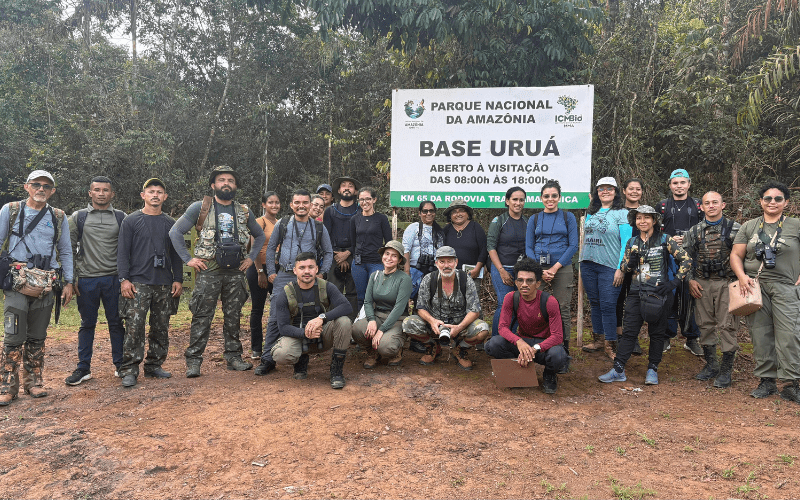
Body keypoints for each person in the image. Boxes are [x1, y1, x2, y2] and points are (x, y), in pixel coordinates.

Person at [168, 166, 266, 377]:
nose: (226, 183)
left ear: (235, 185)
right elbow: (175, 232)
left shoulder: (244, 211)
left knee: (234, 316)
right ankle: (194, 361)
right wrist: (188, 259)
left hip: (235, 273)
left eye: (230, 180)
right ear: (213, 184)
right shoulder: (200, 208)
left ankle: (234, 357)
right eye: (221, 180)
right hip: (208, 271)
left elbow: (259, 236)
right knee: (202, 316)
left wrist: (250, 258)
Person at [0, 170, 74, 406]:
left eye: (46, 186)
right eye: (36, 184)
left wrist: (69, 281)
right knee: (13, 336)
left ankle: (34, 383)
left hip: (46, 282)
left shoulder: (58, 216)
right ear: (26, 187)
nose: (41, 189)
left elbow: (65, 251)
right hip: (17, 281)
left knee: (37, 336)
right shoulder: (11, 210)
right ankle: (7, 386)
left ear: (52, 191)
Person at [599, 205, 692, 386]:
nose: (643, 221)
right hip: (636, 293)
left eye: (647, 218)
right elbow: (624, 268)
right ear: (635, 221)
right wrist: (630, 264)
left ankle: (652, 369)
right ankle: (618, 369)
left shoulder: (665, 239)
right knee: (629, 332)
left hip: (660, 293)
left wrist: (675, 282)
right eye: (639, 218)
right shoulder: (632, 242)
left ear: (654, 221)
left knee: (657, 334)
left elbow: (686, 260)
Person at [731, 180, 800, 403]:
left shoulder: (795, 225)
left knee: (789, 334)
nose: (772, 202)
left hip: (787, 287)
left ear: (786, 202)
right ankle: (766, 381)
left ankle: (791, 382)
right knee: (760, 334)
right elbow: (736, 255)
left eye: (778, 198)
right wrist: (742, 277)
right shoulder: (749, 226)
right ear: (760, 201)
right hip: (754, 286)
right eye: (768, 198)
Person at [255, 189, 333, 375]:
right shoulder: (283, 224)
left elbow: (329, 252)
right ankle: (267, 359)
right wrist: (272, 272)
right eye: (297, 202)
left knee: (305, 315)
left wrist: (322, 273)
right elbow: (272, 246)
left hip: (309, 277)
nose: (301, 206)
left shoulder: (319, 227)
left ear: (311, 205)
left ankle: (301, 360)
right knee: (275, 316)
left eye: (305, 202)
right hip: (285, 275)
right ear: (291, 205)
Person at [117, 178, 184, 388]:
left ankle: (154, 365)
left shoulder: (171, 224)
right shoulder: (131, 221)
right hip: (138, 283)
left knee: (161, 326)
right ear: (143, 195)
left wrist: (178, 279)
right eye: (151, 191)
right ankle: (129, 369)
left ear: (165, 197)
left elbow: (176, 255)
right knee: (134, 327)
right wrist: (124, 279)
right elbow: (122, 253)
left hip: (164, 284)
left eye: (159, 192)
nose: (155, 195)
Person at [64, 176, 127, 386]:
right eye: (97, 190)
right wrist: (70, 279)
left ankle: (121, 365)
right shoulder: (78, 217)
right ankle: (83, 368)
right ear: (90, 193)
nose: (101, 193)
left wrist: (126, 277)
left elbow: (128, 250)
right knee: (87, 324)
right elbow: (68, 248)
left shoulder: (121, 217)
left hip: (114, 279)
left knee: (117, 323)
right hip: (87, 281)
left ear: (112, 194)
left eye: (106, 190)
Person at [683, 191, 741, 388]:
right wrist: (690, 280)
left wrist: (741, 279)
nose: (711, 206)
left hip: (727, 282)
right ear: (702, 207)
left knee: (727, 325)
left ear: (723, 205)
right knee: (704, 324)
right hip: (702, 283)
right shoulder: (694, 231)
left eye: (715, 202)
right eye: (707, 203)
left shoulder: (735, 228)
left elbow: (744, 255)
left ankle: (726, 371)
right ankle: (711, 365)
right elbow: (685, 259)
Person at [484, 258, 568, 394]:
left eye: (530, 281)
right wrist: (519, 342)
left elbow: (558, 337)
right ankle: (515, 369)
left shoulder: (549, 301)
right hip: (524, 341)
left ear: (538, 283)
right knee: (493, 344)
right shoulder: (511, 298)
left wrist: (535, 348)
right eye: (520, 280)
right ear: (516, 282)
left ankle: (550, 374)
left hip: (543, 346)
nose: (524, 284)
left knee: (558, 355)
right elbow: (502, 328)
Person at [269, 252, 353, 389]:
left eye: (310, 267)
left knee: (344, 321)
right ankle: (301, 361)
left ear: (317, 269)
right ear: (295, 270)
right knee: (280, 354)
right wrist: (305, 333)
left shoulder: (326, 286)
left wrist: (322, 318)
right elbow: (283, 328)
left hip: (323, 334)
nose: (306, 271)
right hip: (299, 336)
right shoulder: (285, 293)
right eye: (302, 268)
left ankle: (336, 371)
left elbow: (346, 307)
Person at [403, 246, 489, 370]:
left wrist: (459, 327)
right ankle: (432, 347)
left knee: (483, 330)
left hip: (460, 325)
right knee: (408, 324)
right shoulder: (429, 279)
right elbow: (420, 307)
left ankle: (460, 349)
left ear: (456, 262)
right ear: (436, 263)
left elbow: (475, 311)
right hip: (435, 326)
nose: (446, 265)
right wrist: (432, 322)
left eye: (450, 261)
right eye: (442, 262)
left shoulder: (466, 279)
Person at [525, 180, 578, 371]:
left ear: (559, 197)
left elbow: (573, 245)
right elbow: (529, 246)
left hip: (561, 267)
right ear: (541, 198)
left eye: (554, 195)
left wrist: (555, 268)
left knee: (562, 308)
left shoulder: (568, 217)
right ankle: (532, 346)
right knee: (531, 306)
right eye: (546, 196)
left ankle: (563, 352)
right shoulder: (534, 219)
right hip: (537, 269)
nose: (550, 199)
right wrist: (539, 270)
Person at [579, 177, 631, 360]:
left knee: (609, 305)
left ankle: (611, 344)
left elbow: (626, 243)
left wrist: (621, 268)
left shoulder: (622, 213)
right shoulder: (591, 212)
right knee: (595, 303)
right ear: (597, 192)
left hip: (610, 266)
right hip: (588, 264)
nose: (605, 191)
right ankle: (598, 340)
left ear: (616, 192)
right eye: (601, 189)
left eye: (609, 188)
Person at [657, 169, 703, 355]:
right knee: (668, 294)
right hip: (668, 256)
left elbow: (705, 227)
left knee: (691, 295)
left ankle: (692, 338)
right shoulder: (662, 205)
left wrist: (689, 239)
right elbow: (653, 228)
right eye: (675, 183)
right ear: (670, 185)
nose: (679, 186)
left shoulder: (698, 204)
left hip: (692, 255)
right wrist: (669, 238)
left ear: (689, 184)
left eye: (682, 183)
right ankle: (666, 336)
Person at [352, 241, 412, 368]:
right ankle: (372, 353)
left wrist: (381, 331)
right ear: (382, 255)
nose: (389, 258)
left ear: (400, 259)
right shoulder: (375, 276)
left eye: (394, 256)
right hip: (378, 315)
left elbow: (399, 308)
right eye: (387, 253)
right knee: (357, 329)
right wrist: (371, 320)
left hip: (396, 319)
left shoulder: (404, 279)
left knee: (386, 347)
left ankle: (397, 350)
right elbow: (367, 301)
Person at [403, 201, 444, 353]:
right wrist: (406, 273)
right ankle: (404, 337)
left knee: (427, 305)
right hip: (414, 270)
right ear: (420, 213)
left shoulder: (439, 231)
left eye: (431, 211)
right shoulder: (413, 228)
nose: (428, 214)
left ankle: (422, 339)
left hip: (433, 272)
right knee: (407, 304)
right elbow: (405, 249)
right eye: (425, 211)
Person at [487, 187, 528, 338]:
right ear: (507, 201)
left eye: (521, 200)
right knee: (505, 304)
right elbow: (490, 246)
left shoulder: (528, 222)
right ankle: (496, 340)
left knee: (519, 305)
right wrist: (501, 270)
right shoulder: (499, 221)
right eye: (514, 199)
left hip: (521, 272)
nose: (518, 203)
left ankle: (510, 338)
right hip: (502, 268)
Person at [247, 191, 280, 359]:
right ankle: (256, 348)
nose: (274, 205)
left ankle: (276, 344)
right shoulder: (259, 222)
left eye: (277, 202)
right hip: (259, 269)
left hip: (276, 269)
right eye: (270, 202)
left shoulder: (280, 223)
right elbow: (255, 248)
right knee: (257, 309)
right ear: (264, 205)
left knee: (280, 307)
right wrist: (260, 272)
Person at [323, 176, 361, 320]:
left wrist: (348, 253)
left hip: (354, 254)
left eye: (350, 185)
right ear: (338, 190)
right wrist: (338, 256)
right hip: (334, 255)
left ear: (355, 191)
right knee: (333, 290)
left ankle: (351, 324)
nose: (346, 188)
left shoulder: (360, 210)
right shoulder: (330, 211)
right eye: (343, 185)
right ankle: (333, 323)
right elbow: (326, 236)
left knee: (353, 292)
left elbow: (361, 236)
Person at [349, 186, 392, 312]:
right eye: (361, 199)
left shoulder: (381, 218)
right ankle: (360, 322)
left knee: (375, 295)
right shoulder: (355, 219)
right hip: (359, 264)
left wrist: (387, 261)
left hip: (376, 263)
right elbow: (353, 243)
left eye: (367, 199)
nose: (364, 202)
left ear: (374, 200)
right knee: (361, 296)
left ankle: (375, 322)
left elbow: (389, 241)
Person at [616, 178, 645, 355]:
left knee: (636, 301)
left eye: (638, 189)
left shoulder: (647, 212)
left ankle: (632, 337)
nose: (634, 192)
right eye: (631, 189)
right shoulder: (617, 212)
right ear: (624, 191)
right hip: (619, 263)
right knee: (618, 299)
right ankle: (619, 336)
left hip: (641, 264)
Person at [443, 198, 487, 289]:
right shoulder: (446, 230)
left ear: (468, 214)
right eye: (454, 212)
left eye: (461, 211)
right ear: (450, 215)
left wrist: (477, 269)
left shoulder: (476, 227)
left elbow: (484, 249)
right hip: (449, 274)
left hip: (472, 274)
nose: (458, 214)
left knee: (471, 301)